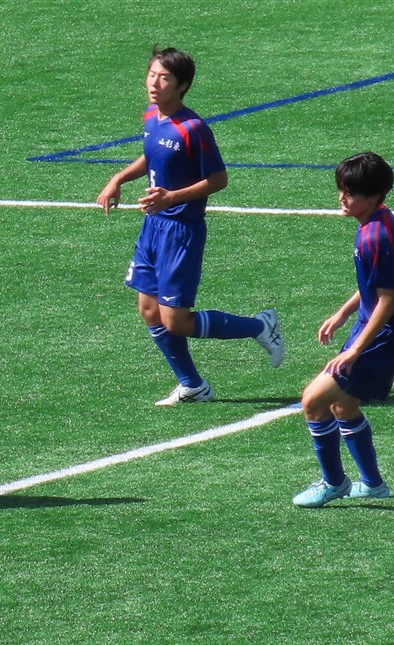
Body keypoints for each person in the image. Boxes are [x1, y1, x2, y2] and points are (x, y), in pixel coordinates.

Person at [96, 46, 285, 406]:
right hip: (153, 226)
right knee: (148, 310)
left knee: (176, 321)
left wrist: (172, 197)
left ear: (182, 86)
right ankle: (193, 386)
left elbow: (218, 179)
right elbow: (153, 153)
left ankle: (260, 326)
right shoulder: (151, 116)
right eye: (152, 75)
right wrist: (119, 178)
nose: (154, 83)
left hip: (181, 231)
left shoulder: (193, 129)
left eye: (164, 78)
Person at [292, 152, 394, 508]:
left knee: (313, 400)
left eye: (351, 192)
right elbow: (377, 284)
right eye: (341, 189)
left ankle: (334, 482)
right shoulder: (376, 223)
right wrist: (343, 313)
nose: (342, 197)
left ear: (374, 196)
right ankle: (372, 484)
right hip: (371, 328)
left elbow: (389, 300)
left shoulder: (378, 237)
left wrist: (355, 350)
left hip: (383, 337)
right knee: (343, 404)